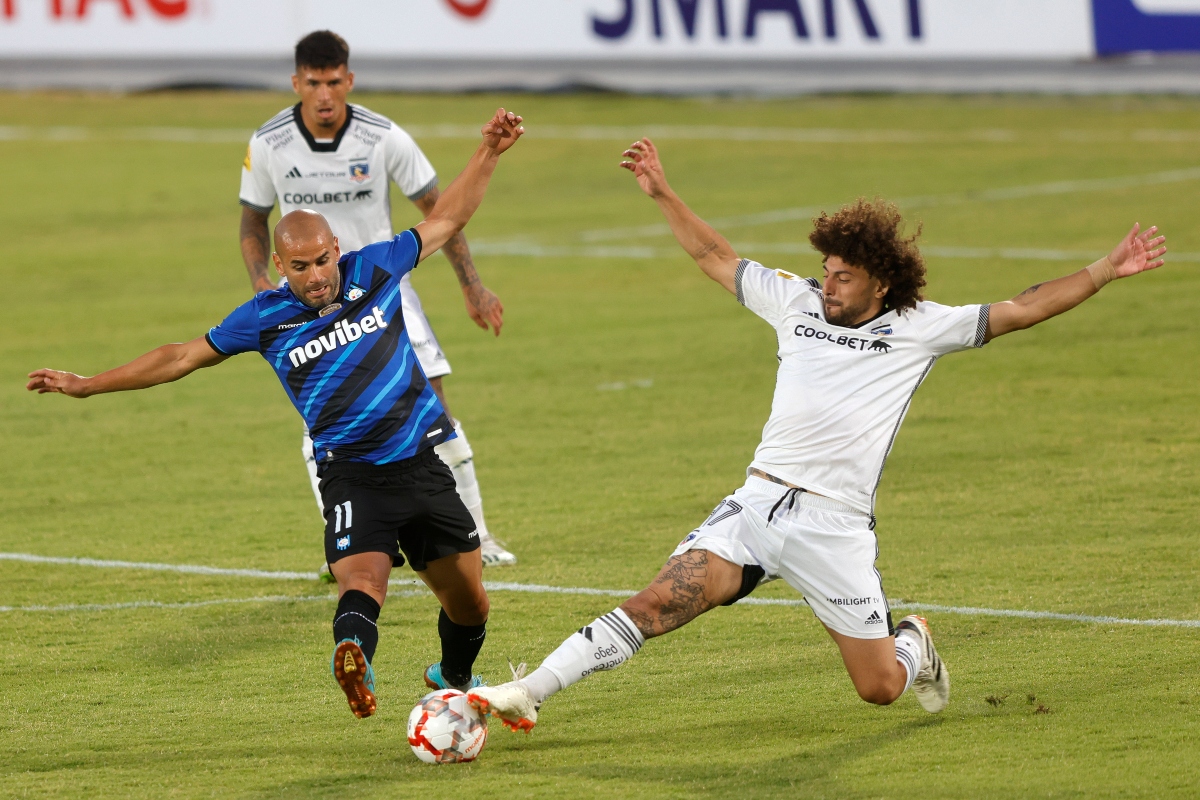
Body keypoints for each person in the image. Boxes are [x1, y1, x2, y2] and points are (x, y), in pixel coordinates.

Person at [466, 137, 1168, 732]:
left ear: (881, 284)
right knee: (655, 602)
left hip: (835, 527)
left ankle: (913, 641)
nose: (828, 286)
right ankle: (528, 691)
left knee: (879, 689)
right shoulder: (794, 302)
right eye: (827, 272)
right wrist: (661, 191)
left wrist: (1107, 269)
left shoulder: (921, 329)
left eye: (844, 277)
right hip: (756, 506)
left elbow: (1023, 307)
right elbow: (713, 254)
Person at [28, 109, 526, 718]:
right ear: (279, 266)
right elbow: (179, 356)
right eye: (300, 267)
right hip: (351, 473)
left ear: (335, 249)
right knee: (362, 582)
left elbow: (446, 218)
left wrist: (489, 152)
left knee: (471, 603)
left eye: (322, 261)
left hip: (420, 463)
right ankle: (353, 656)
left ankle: (451, 674)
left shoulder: (376, 267)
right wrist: (87, 385)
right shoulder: (265, 318)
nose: (316, 277)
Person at [239, 30, 517, 567]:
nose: (324, 95)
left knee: (434, 409)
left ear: (349, 80)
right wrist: (261, 283)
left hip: (383, 293)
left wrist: (472, 285)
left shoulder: (383, 137)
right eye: (313, 83)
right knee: (324, 424)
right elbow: (253, 221)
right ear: (296, 83)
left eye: (333, 82)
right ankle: (345, 545)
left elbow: (441, 212)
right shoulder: (269, 143)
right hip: (310, 304)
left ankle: (478, 536)